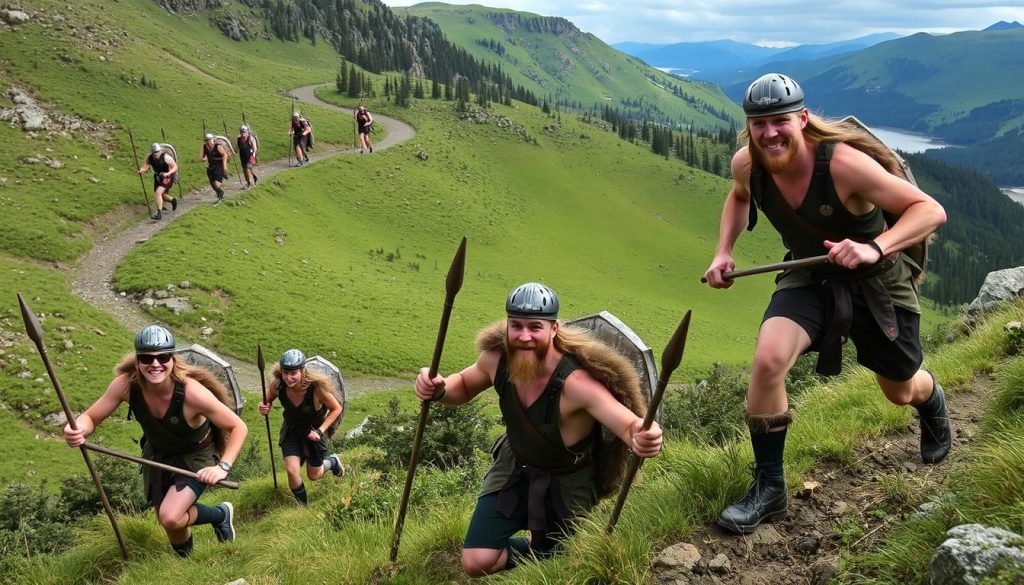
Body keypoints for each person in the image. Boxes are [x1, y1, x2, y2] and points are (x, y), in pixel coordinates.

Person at [702, 73, 951, 535]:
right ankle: (770, 487)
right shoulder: (748, 166)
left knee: (898, 389)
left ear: (802, 118)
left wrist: (875, 247)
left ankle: (930, 397)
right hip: (809, 274)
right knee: (768, 360)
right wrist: (723, 251)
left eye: (780, 121)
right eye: (759, 124)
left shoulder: (843, 166)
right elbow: (738, 199)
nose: (770, 132)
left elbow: (929, 210)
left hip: (875, 281)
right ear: (748, 128)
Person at [414, 282, 663, 576]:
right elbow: (465, 385)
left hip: (566, 484)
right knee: (476, 562)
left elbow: (627, 424)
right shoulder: (496, 360)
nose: (524, 337)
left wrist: (644, 436)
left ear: (554, 329)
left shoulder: (577, 384)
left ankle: (546, 549)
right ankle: (534, 548)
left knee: (564, 560)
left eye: (535, 327)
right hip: (515, 468)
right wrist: (440, 388)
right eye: (516, 326)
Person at [63, 325, 248, 557]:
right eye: (146, 358)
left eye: (163, 357)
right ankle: (187, 562)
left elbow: (237, 426)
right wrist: (78, 429)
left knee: (169, 516)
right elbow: (91, 416)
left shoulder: (192, 393)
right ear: (137, 360)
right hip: (158, 453)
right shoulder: (126, 386)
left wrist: (223, 467)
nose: (155, 364)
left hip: (196, 454)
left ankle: (220, 515)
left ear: (172, 358)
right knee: (169, 518)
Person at [258, 349, 344, 505]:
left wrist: (320, 431)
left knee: (314, 475)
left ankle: (332, 462)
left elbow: (336, 408)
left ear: (303, 371)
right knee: (292, 470)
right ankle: (303, 506)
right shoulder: (278, 385)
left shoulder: (317, 389)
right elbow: (267, 400)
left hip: (314, 433)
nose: (289, 377)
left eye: (294, 373)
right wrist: (265, 406)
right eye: (286, 372)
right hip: (291, 430)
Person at [138, 142, 178, 221]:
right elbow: (145, 167)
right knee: (161, 195)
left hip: (167, 177)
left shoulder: (166, 157)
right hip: (158, 177)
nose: (156, 154)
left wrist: (168, 173)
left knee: (158, 192)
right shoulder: (150, 158)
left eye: (157, 152)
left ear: (160, 151)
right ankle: (172, 200)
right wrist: (141, 170)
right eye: (154, 152)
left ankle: (159, 213)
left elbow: (175, 167)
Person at [200, 133, 229, 204]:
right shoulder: (204, 147)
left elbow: (224, 155)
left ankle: (220, 194)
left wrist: (224, 165)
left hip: (218, 166)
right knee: (212, 184)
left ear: (213, 140)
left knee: (216, 183)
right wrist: (204, 159)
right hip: (210, 167)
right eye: (206, 140)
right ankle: (220, 194)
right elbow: (201, 157)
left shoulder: (217, 147)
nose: (208, 142)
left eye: (209, 140)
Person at [237, 125, 258, 189]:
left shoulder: (251, 138)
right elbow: (237, 148)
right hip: (243, 157)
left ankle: (249, 183)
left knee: (247, 169)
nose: (243, 133)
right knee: (245, 171)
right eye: (241, 132)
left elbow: (255, 148)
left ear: (247, 132)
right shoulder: (239, 139)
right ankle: (253, 177)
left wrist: (253, 156)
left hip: (251, 157)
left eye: (244, 132)